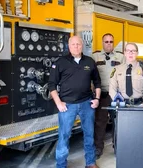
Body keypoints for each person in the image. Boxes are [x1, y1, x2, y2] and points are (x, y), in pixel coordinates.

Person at [48, 36, 101, 168]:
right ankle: (61, 165)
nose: (76, 46)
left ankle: (90, 162)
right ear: (68, 46)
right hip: (67, 105)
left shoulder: (89, 61)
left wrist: (97, 99)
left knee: (89, 134)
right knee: (64, 136)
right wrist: (58, 103)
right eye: (73, 44)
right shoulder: (60, 62)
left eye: (78, 44)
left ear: (82, 45)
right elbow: (51, 85)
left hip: (86, 104)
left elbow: (97, 82)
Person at [92, 33, 125, 159]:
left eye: (111, 41)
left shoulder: (120, 57)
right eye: (106, 41)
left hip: (117, 95)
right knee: (100, 122)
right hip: (102, 95)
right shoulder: (95, 56)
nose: (109, 44)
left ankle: (118, 147)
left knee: (118, 122)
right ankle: (98, 148)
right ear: (102, 43)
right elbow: (91, 76)